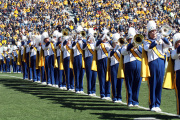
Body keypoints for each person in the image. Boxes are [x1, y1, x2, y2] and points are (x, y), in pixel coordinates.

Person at [144, 20, 172, 112]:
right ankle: (152, 104)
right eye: (152, 31)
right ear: (149, 33)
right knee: (153, 84)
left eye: (155, 31)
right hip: (152, 63)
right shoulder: (146, 41)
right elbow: (147, 48)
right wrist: (156, 41)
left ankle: (157, 104)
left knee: (159, 84)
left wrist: (163, 38)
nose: (154, 33)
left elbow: (169, 45)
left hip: (161, 62)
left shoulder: (160, 39)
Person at [121, 27, 142, 107]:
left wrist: (137, 46)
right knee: (129, 83)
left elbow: (143, 53)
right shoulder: (125, 46)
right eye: (130, 39)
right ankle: (130, 101)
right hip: (129, 66)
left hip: (139, 66)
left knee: (137, 84)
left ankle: (135, 101)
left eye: (133, 39)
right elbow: (123, 52)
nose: (132, 40)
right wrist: (131, 44)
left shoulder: (140, 47)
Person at [96, 29, 112, 100]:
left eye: (106, 37)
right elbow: (95, 47)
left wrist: (108, 38)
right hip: (101, 61)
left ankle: (107, 93)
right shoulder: (99, 43)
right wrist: (101, 39)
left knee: (108, 77)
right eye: (104, 36)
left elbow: (113, 44)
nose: (105, 38)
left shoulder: (109, 43)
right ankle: (102, 93)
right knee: (102, 77)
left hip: (108, 61)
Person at [109, 33, 124, 103]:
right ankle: (114, 96)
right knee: (114, 82)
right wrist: (115, 49)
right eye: (115, 42)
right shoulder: (111, 48)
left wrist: (119, 48)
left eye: (117, 42)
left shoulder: (122, 49)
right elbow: (109, 55)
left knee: (120, 82)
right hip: (113, 66)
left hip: (120, 66)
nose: (117, 43)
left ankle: (119, 97)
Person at [83, 28, 97, 96]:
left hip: (94, 60)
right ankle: (89, 91)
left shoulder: (95, 44)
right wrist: (87, 41)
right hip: (88, 60)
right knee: (89, 75)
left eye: (91, 37)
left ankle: (93, 90)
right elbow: (83, 47)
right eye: (89, 37)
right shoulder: (86, 44)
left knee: (94, 76)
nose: (90, 38)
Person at [72, 26, 85, 93]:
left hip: (82, 57)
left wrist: (82, 39)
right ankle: (77, 88)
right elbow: (72, 47)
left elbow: (85, 47)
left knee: (82, 73)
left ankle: (81, 88)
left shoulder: (83, 40)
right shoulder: (74, 41)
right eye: (78, 33)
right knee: (77, 73)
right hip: (76, 57)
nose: (79, 34)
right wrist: (76, 40)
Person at [171, 33, 180, 115]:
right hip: (178, 72)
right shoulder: (174, 51)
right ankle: (179, 111)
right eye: (178, 43)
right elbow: (174, 56)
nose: (179, 44)